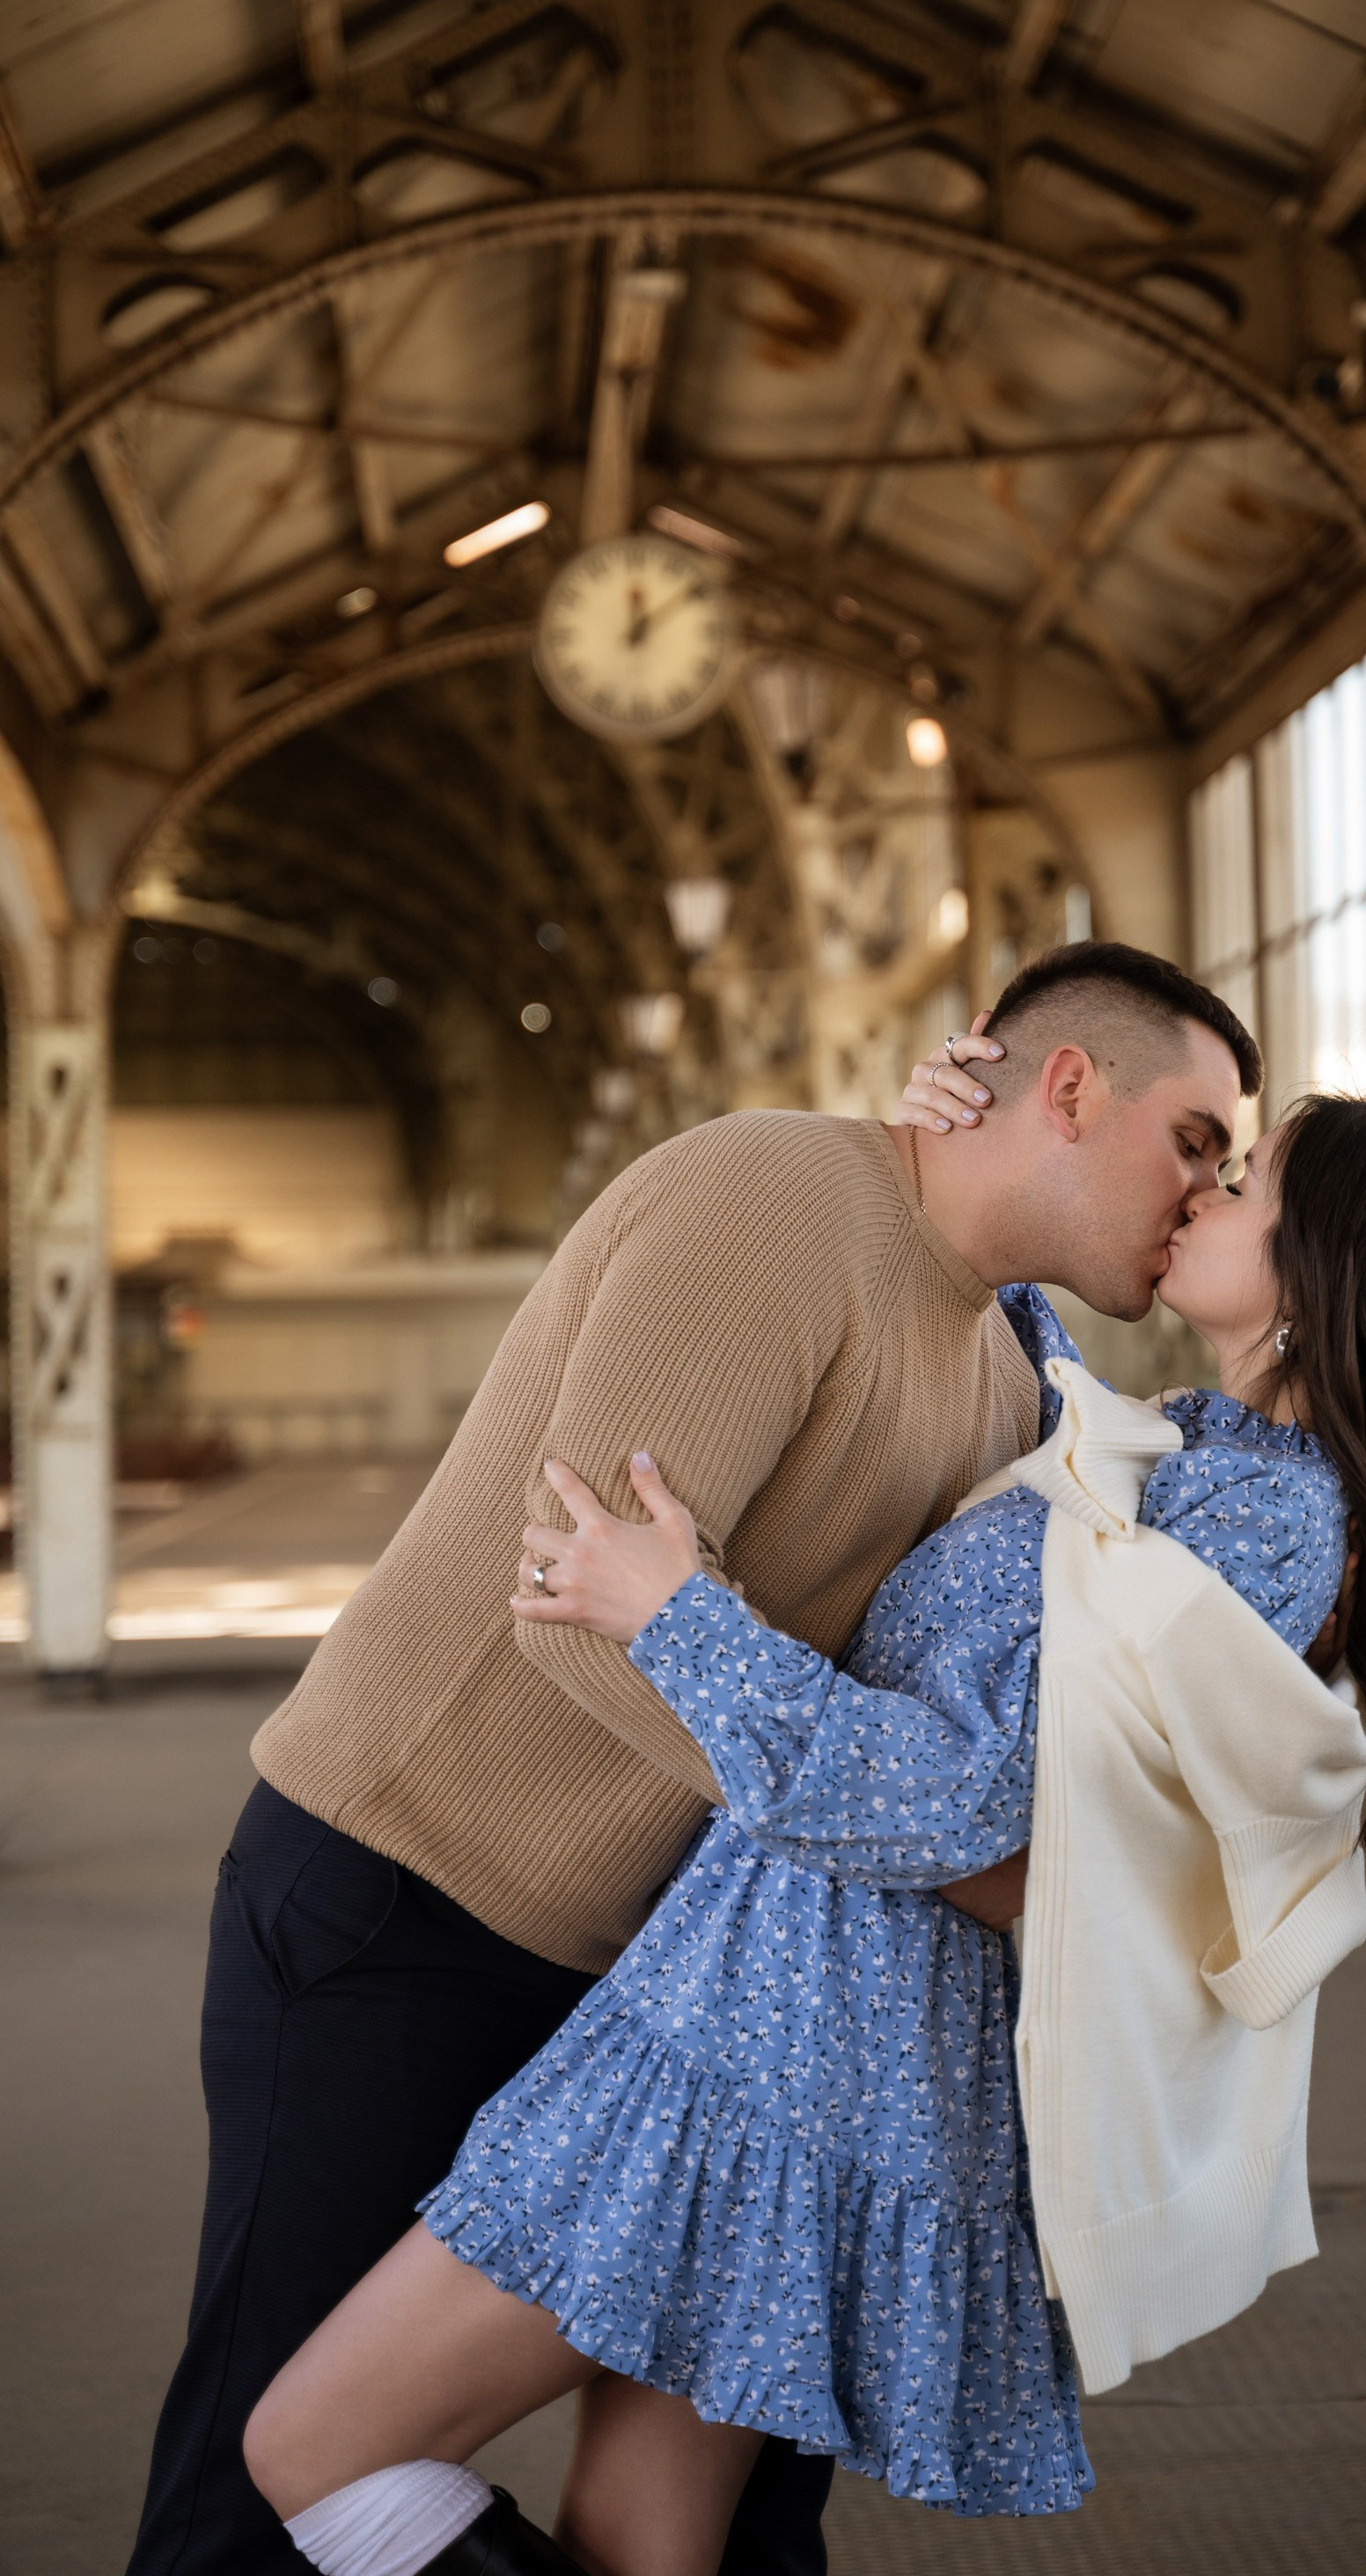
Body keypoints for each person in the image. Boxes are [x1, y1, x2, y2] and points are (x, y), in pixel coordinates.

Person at [240, 1090, 1366, 2576]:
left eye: (1247, 1184)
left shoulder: (1265, 1524)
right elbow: (1029, 1387)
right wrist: (946, 1155)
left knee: (314, 2444)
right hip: (766, 2022)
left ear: (1329, 1267)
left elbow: (969, 1798)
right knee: (637, 2543)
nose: (1204, 1194)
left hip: (792, 2062)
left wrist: (678, 1624)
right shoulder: (1188, 1449)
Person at [127, 941, 1260, 2576]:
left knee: (730, 2518)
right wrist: (937, 1846)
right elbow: (576, 1611)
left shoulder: (1014, 1359)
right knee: (262, 2500)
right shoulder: (767, 1207)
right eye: (1196, 1141)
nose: (1200, 1191)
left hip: (675, 1979)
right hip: (408, 1907)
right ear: (1071, 1087)